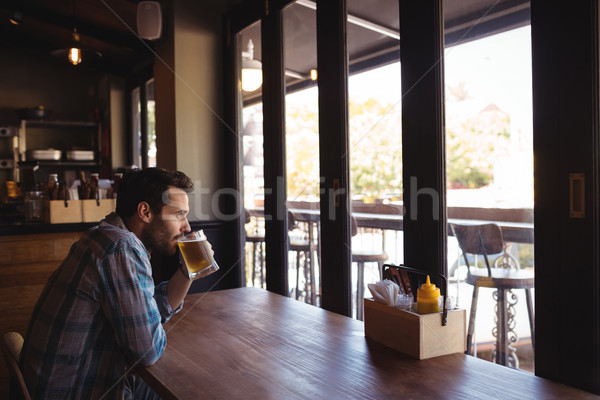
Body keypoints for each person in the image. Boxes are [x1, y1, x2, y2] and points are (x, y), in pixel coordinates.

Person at [20, 168, 203, 399]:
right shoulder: (121, 248)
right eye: (179, 215)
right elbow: (147, 351)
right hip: (75, 390)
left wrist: (189, 271)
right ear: (145, 212)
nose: (186, 226)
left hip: (60, 381)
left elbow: (148, 313)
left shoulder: (106, 235)